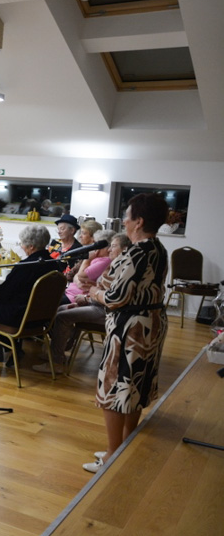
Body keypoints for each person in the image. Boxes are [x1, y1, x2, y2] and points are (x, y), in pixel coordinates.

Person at [82, 193, 170, 474]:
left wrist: (94, 292)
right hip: (150, 322)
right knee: (135, 385)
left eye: (128, 216)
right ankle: (123, 445)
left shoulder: (137, 252)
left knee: (115, 387)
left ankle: (111, 455)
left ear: (139, 221)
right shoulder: (158, 248)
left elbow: (116, 294)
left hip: (130, 329)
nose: (124, 220)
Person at [33, 232, 129, 374]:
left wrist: (86, 299)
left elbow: (110, 297)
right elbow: (90, 285)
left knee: (62, 317)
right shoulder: (115, 264)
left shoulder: (121, 268)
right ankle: (59, 351)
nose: (109, 250)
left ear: (124, 249)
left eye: (113, 246)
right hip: (96, 305)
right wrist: (88, 297)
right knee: (60, 310)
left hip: (106, 311)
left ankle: (57, 362)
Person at [0, 224, 64, 374]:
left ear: (31, 246)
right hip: (42, 319)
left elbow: (0, 296)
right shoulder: (53, 264)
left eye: (22, 243)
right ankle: (10, 348)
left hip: (21, 318)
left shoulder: (27, 266)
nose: (22, 247)